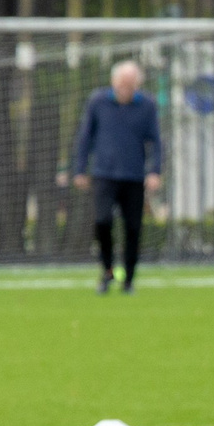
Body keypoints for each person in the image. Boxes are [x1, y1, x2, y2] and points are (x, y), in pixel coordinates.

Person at [69, 59, 164, 294]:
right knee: (102, 221)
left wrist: (155, 171)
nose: (125, 90)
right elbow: (85, 137)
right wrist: (79, 169)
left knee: (133, 227)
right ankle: (107, 270)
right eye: (122, 85)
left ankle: (129, 279)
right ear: (114, 83)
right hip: (104, 174)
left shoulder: (147, 105)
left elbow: (157, 142)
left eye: (130, 86)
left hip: (133, 176)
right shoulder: (98, 101)